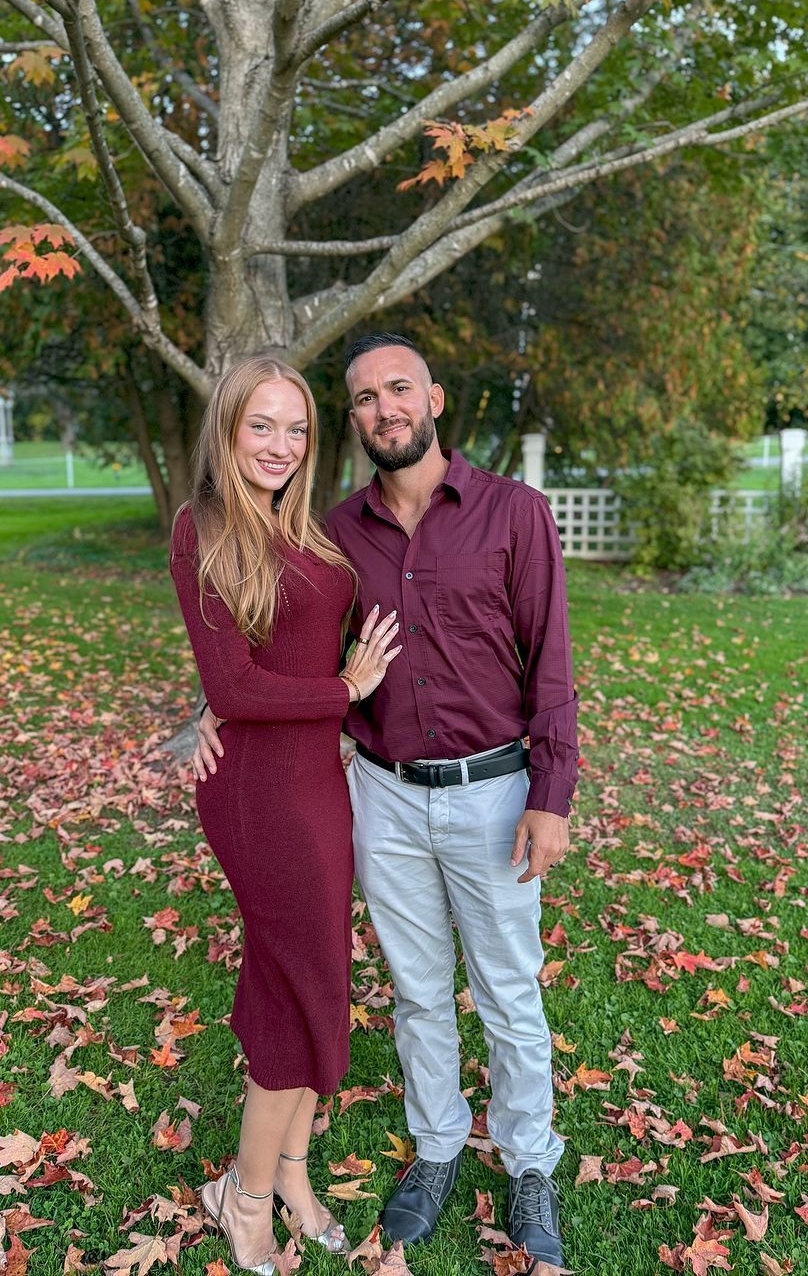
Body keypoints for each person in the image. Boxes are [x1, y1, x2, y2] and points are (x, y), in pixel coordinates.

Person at [194, 334, 578, 1270]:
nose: (384, 408)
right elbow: (279, 642)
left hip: (494, 791)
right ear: (355, 419)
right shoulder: (333, 533)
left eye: (399, 389)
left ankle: (530, 1162)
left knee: (509, 993)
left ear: (434, 399)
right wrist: (209, 706)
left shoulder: (514, 513)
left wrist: (552, 792)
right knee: (416, 991)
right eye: (365, 398)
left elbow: (551, 661)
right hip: (382, 794)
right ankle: (437, 1146)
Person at [169, 356, 401, 1275]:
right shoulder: (205, 528)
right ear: (228, 429)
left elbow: (281, 654)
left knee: (318, 981)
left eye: (296, 427)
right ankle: (245, 1196)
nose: (280, 444)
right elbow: (234, 686)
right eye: (260, 425)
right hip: (258, 794)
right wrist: (344, 691)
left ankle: (294, 1177)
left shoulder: (305, 526)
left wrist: (332, 698)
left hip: (317, 784)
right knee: (295, 986)